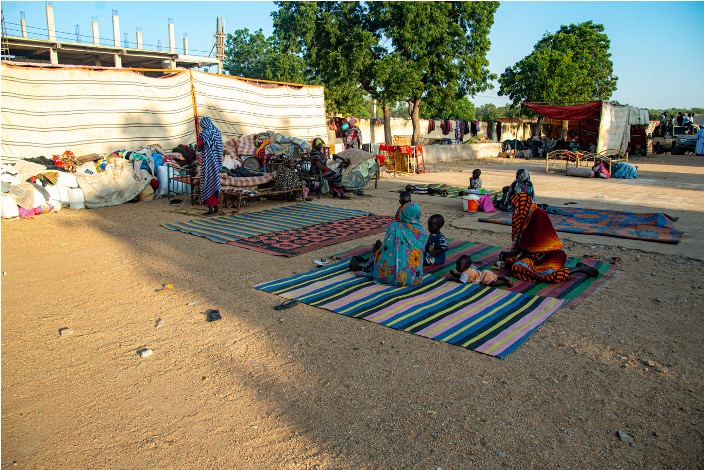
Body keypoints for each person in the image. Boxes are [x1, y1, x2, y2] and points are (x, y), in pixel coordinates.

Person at [498, 193, 599, 283]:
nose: (516, 212)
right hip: (537, 256)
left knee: (551, 274)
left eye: (517, 208)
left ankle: (579, 268)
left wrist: (512, 253)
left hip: (552, 254)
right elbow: (525, 246)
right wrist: (511, 256)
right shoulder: (526, 218)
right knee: (517, 267)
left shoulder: (538, 214)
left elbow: (529, 242)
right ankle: (535, 268)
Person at [357, 202, 428, 287]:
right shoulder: (420, 231)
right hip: (413, 278)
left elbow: (387, 247)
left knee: (379, 251)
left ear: (402, 212)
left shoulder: (392, 226)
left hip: (385, 275)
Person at [198, 117, 223, 216]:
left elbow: (200, 148)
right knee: (215, 182)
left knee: (207, 182)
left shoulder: (204, 134)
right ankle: (216, 207)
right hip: (216, 162)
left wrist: (199, 148)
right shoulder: (217, 132)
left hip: (208, 162)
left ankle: (210, 210)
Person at [449, 255, 513, 287]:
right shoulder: (468, 269)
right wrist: (454, 274)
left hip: (483, 278)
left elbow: (461, 280)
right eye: (457, 265)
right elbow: (460, 276)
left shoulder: (465, 274)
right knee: (495, 277)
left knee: (492, 283)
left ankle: (504, 282)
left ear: (466, 267)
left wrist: (454, 279)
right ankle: (504, 277)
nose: (457, 267)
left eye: (459, 266)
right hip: (485, 273)